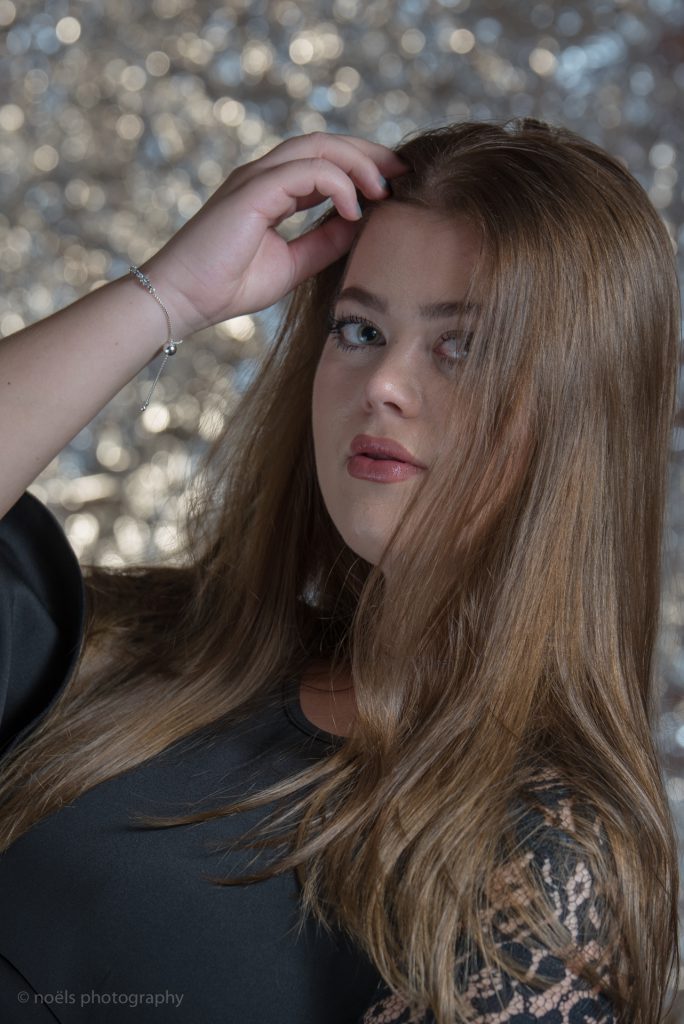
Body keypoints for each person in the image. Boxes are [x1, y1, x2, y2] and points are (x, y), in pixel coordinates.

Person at [0, 119, 679, 1023]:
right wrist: (168, 296)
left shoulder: (542, 869)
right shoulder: (147, 646)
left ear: (581, 415)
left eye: (462, 346)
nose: (383, 383)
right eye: (360, 329)